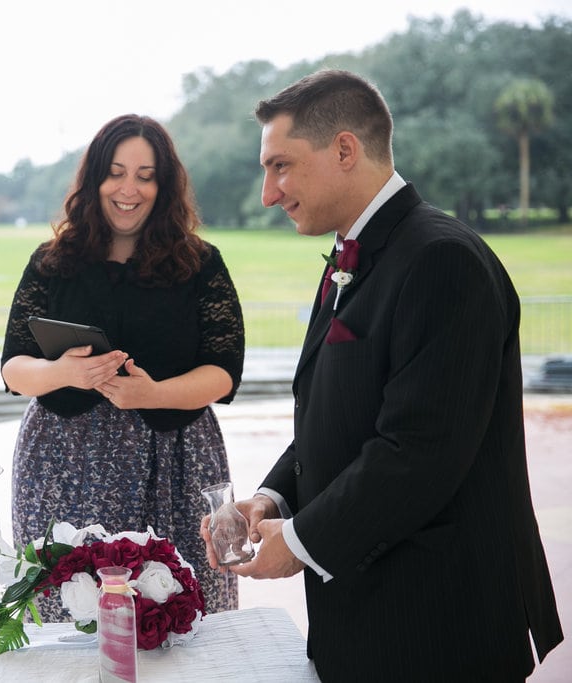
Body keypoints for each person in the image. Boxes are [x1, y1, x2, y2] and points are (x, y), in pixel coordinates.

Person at [201, 69, 564, 681]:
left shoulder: (442, 260)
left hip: (436, 625)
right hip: (364, 616)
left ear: (345, 149)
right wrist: (273, 499)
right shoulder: (350, 255)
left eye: (281, 166)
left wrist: (302, 540)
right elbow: (336, 411)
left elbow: (418, 451)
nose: (269, 192)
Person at [1, 114, 245, 617]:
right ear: (94, 179)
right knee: (69, 615)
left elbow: (223, 372)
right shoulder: (52, 262)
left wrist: (152, 394)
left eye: (145, 174)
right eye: (115, 172)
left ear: (164, 184)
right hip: (64, 464)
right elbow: (13, 366)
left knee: (179, 616)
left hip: (175, 460)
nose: (128, 188)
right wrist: (63, 373)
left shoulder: (201, 264)